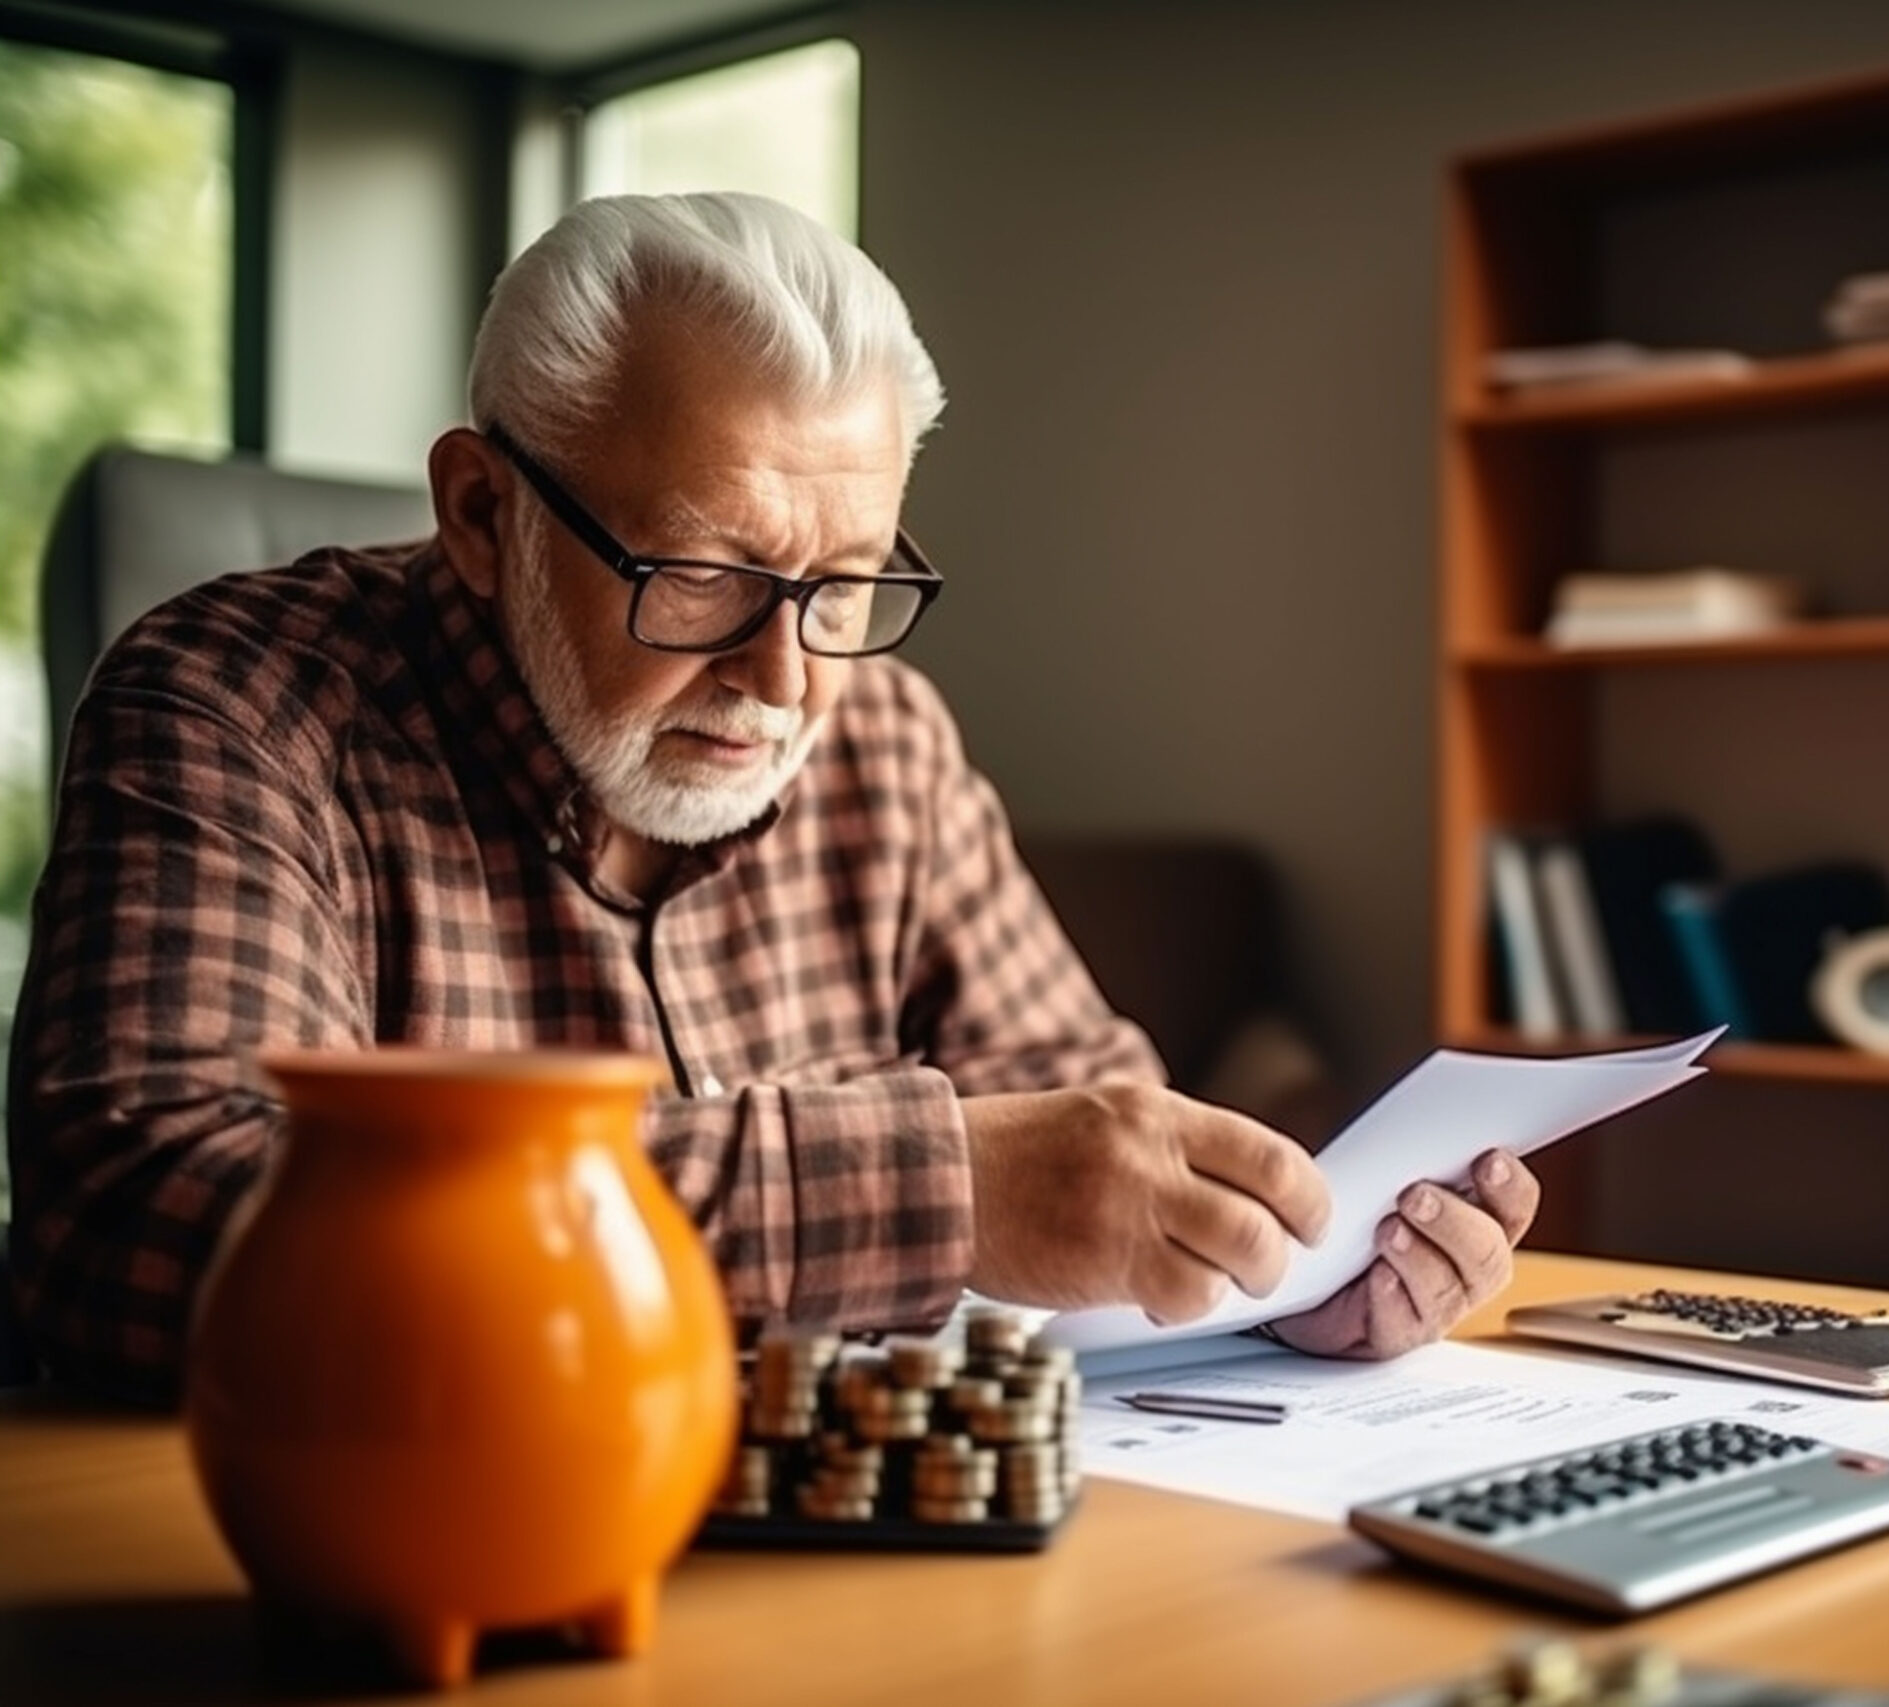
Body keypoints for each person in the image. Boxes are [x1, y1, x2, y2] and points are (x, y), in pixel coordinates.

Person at [4, 192, 1537, 1404]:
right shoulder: (233, 702)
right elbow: (140, 1214)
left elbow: (1101, 1161)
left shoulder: (892, 745)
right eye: (704, 577)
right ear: (482, 514)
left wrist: (1274, 1274)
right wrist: (935, 1188)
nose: (790, 680)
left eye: (846, 585)